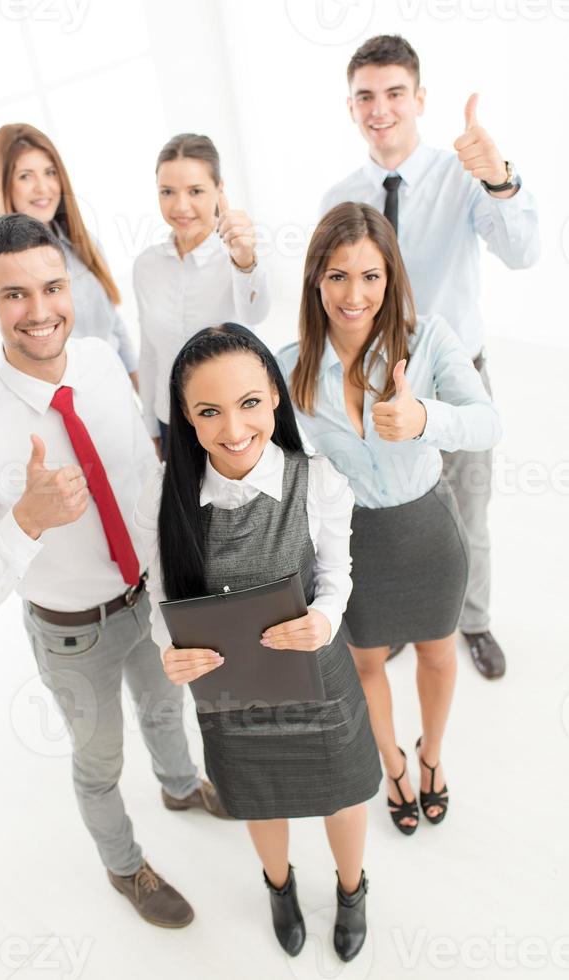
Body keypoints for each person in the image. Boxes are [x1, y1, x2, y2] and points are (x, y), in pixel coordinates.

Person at [0, 213, 230, 931]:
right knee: (99, 761)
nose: (39, 312)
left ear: (71, 285)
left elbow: (140, 482)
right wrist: (24, 520)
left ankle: (181, 786)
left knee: (164, 708)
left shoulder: (96, 360)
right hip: (74, 636)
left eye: (52, 287)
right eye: (14, 296)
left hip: (144, 598)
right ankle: (125, 866)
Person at [134, 323, 381, 963]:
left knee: (344, 795)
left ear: (274, 395)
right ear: (186, 419)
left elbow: (336, 575)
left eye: (248, 403)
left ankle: (352, 891)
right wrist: (170, 648)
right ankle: (279, 885)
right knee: (259, 799)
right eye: (208, 411)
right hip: (231, 696)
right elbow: (161, 600)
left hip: (319, 678)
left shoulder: (319, 480)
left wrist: (324, 621)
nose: (233, 428)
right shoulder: (166, 498)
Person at [278, 203, 502, 836]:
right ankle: (394, 763)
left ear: (391, 277)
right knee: (368, 662)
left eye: (371, 276)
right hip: (352, 543)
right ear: (315, 279)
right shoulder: (290, 365)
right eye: (338, 275)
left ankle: (432, 756)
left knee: (437, 651)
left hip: (427, 532)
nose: (355, 295)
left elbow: (488, 421)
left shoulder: (428, 338)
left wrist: (425, 417)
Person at [320, 34, 540, 678]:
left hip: (454, 380)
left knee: (467, 513)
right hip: (376, 390)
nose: (379, 108)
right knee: (391, 513)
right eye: (365, 96)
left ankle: (471, 621)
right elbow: (330, 295)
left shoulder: (464, 175)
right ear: (351, 107)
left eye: (394, 93)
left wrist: (500, 179)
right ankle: (398, 621)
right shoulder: (340, 198)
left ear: (420, 100)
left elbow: (524, 251)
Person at [0, 123, 138, 386]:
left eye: (50, 173)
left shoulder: (86, 244)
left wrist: (147, 413)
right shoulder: (3, 265)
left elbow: (115, 328)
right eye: (26, 176)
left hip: (114, 388)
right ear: (4, 184)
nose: (43, 187)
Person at [134, 133, 270, 459]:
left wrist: (244, 259)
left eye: (195, 191)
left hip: (234, 424)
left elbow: (255, 315)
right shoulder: (147, 266)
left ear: (219, 190)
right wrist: (151, 428)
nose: (181, 206)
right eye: (167, 192)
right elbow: (150, 352)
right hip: (173, 423)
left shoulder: (238, 253)